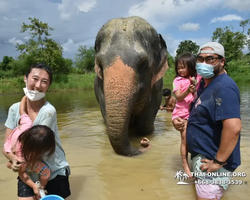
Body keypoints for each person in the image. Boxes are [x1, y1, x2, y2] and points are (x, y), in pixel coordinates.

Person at [172, 42, 241, 200]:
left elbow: (233, 128)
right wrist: (181, 122)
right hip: (202, 157)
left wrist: (217, 162)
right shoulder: (204, 83)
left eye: (210, 59)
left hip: (211, 163)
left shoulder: (224, 88)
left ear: (221, 62)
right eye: (200, 59)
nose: (204, 63)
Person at [2, 63, 71, 199]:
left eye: (44, 82)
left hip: (52, 169)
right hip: (27, 170)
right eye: (35, 78)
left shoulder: (48, 111)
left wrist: (14, 160)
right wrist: (12, 158)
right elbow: (6, 145)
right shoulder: (13, 109)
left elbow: (33, 147)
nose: (38, 85)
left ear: (48, 86)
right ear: (25, 78)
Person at [172, 52, 202, 178]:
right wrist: (187, 91)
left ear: (191, 66)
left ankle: (194, 160)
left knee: (193, 139)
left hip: (193, 112)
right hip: (181, 114)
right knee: (184, 139)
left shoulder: (197, 77)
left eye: (183, 67)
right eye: (178, 67)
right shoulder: (177, 81)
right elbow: (178, 97)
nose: (180, 70)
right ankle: (185, 164)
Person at [18, 125, 56, 200]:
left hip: (38, 169)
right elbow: (21, 173)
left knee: (46, 172)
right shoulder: (22, 157)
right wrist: (33, 186)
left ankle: (40, 190)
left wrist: (40, 189)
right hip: (26, 169)